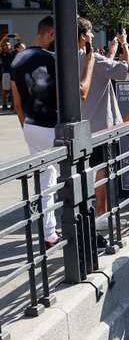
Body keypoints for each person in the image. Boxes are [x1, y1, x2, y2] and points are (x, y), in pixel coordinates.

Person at [11, 16, 78, 248]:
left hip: (30, 125)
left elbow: (16, 101)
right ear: (50, 34)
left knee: (45, 180)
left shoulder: (18, 59)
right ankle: (74, 227)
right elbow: (70, 95)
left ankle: (49, 234)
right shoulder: (52, 60)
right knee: (74, 174)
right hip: (52, 126)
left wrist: (25, 125)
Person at [79, 19, 129, 227]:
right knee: (101, 172)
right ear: (83, 36)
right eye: (91, 33)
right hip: (101, 126)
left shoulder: (69, 59)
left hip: (81, 127)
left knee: (86, 173)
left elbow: (100, 71)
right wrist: (125, 45)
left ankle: (88, 216)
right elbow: (127, 69)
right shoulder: (92, 58)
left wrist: (112, 51)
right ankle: (101, 216)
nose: (93, 36)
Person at [0, 35, 18, 110]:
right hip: (6, 73)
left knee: (12, 90)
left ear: (11, 46)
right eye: (6, 45)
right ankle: (4, 105)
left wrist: (18, 39)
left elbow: (19, 47)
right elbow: (0, 45)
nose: (7, 46)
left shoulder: (13, 53)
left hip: (13, 73)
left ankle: (13, 105)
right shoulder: (2, 54)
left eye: (9, 45)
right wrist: (4, 38)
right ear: (4, 47)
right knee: (5, 90)